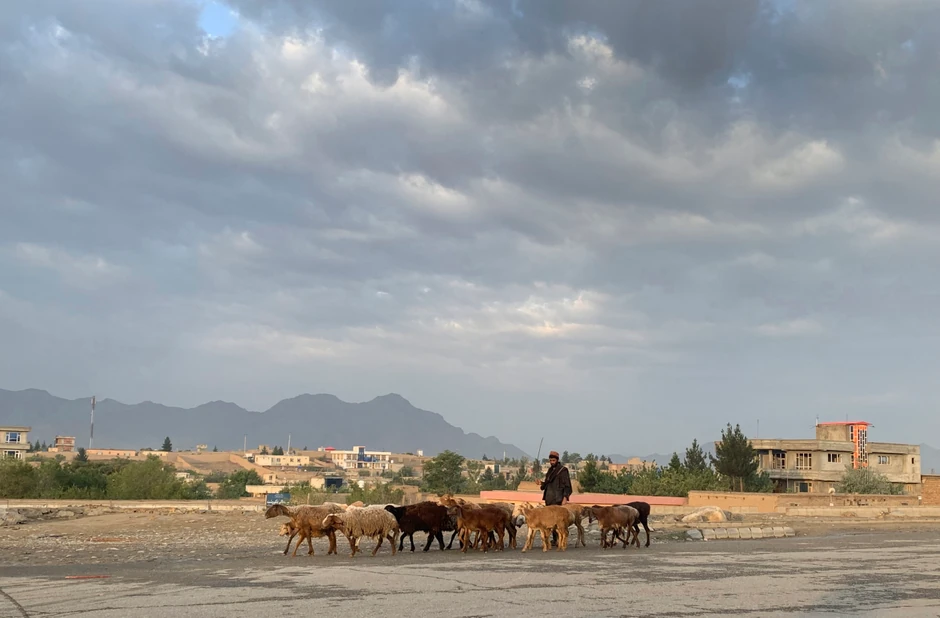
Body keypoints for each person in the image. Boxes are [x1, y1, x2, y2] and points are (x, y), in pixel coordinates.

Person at [539, 450, 572, 547]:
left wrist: (565, 497)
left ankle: (561, 539)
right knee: (550, 520)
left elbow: (567, 486)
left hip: (558, 498)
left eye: (553, 460)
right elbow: (546, 484)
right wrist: (541, 483)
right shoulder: (550, 471)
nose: (552, 462)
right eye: (550, 460)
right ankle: (554, 539)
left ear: (557, 460)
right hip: (549, 498)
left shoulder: (563, 470)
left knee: (559, 520)